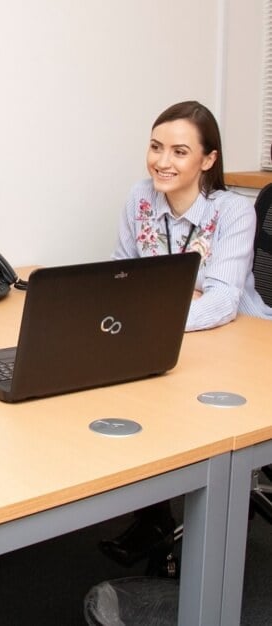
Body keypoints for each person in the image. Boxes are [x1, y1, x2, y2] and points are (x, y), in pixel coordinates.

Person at [100, 100, 272, 570]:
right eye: (156, 147)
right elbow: (123, 271)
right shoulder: (140, 198)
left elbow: (221, 301)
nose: (162, 161)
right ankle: (153, 516)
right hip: (173, 327)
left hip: (236, 336)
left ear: (208, 160)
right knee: (127, 391)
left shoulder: (233, 212)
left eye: (179, 151)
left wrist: (148, 320)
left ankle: (203, 533)